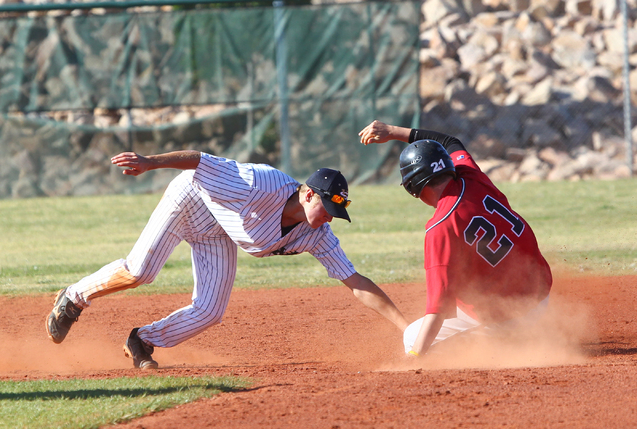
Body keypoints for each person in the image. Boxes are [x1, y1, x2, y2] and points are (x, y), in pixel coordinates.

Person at [46, 150, 409, 369]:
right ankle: (74, 297)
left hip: (219, 232)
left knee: (210, 310)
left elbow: (355, 281)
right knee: (141, 271)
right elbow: (200, 161)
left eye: (336, 212)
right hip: (189, 202)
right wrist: (149, 163)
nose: (330, 216)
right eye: (328, 207)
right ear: (309, 193)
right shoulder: (261, 184)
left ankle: (142, 339)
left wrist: (407, 328)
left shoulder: (315, 235)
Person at [359, 120, 552, 357]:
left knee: (412, 337)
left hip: (511, 320)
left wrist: (415, 357)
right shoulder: (471, 175)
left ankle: (507, 345)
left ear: (413, 188)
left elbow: (438, 311)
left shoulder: (440, 226)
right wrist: (392, 132)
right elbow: (450, 142)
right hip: (543, 298)